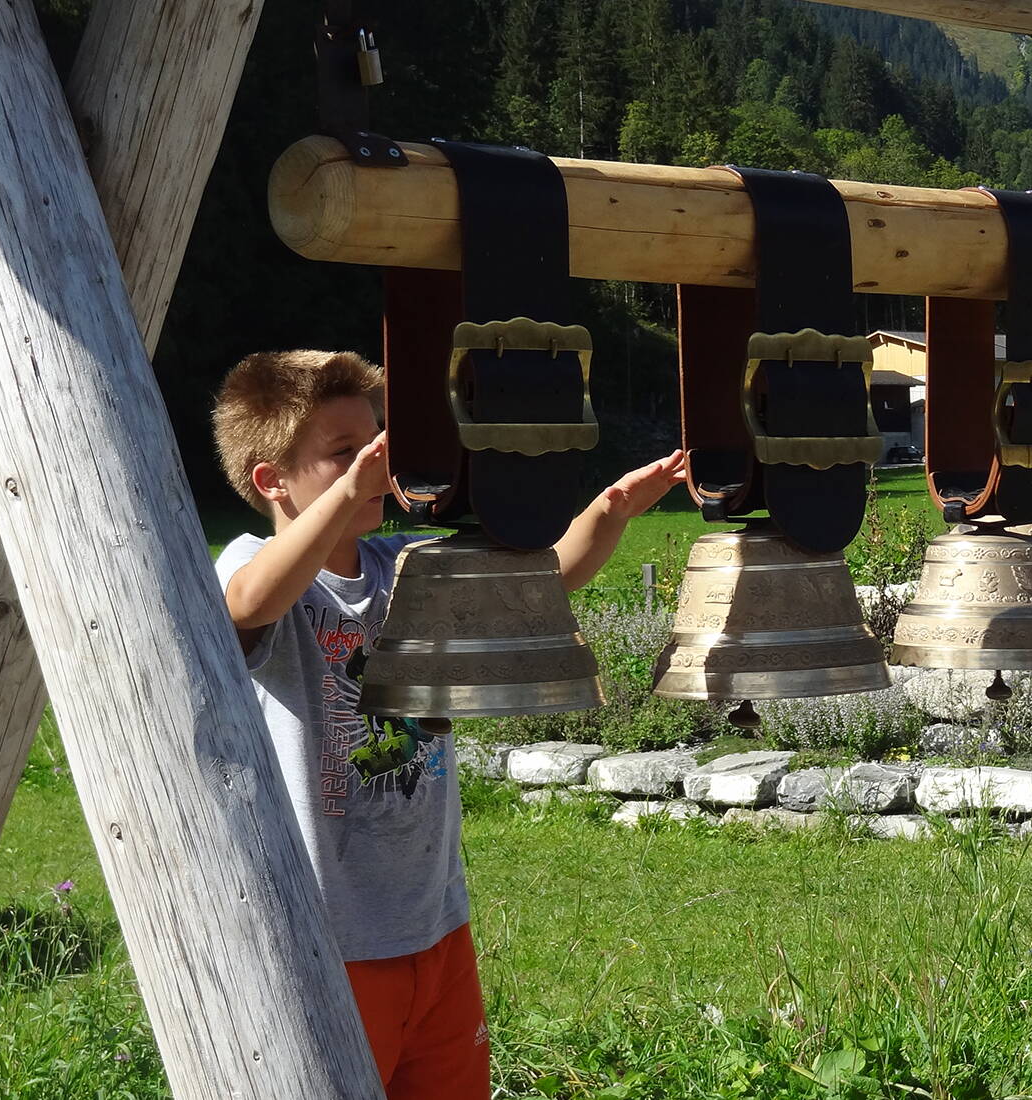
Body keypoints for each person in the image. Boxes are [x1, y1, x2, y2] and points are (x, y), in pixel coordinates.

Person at [210, 349, 685, 1098]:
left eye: (379, 447)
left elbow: (545, 579)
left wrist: (611, 510)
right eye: (346, 454)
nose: (375, 468)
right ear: (271, 480)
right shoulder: (251, 564)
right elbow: (249, 604)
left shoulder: (404, 565)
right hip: (334, 940)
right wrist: (349, 495)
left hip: (434, 920)